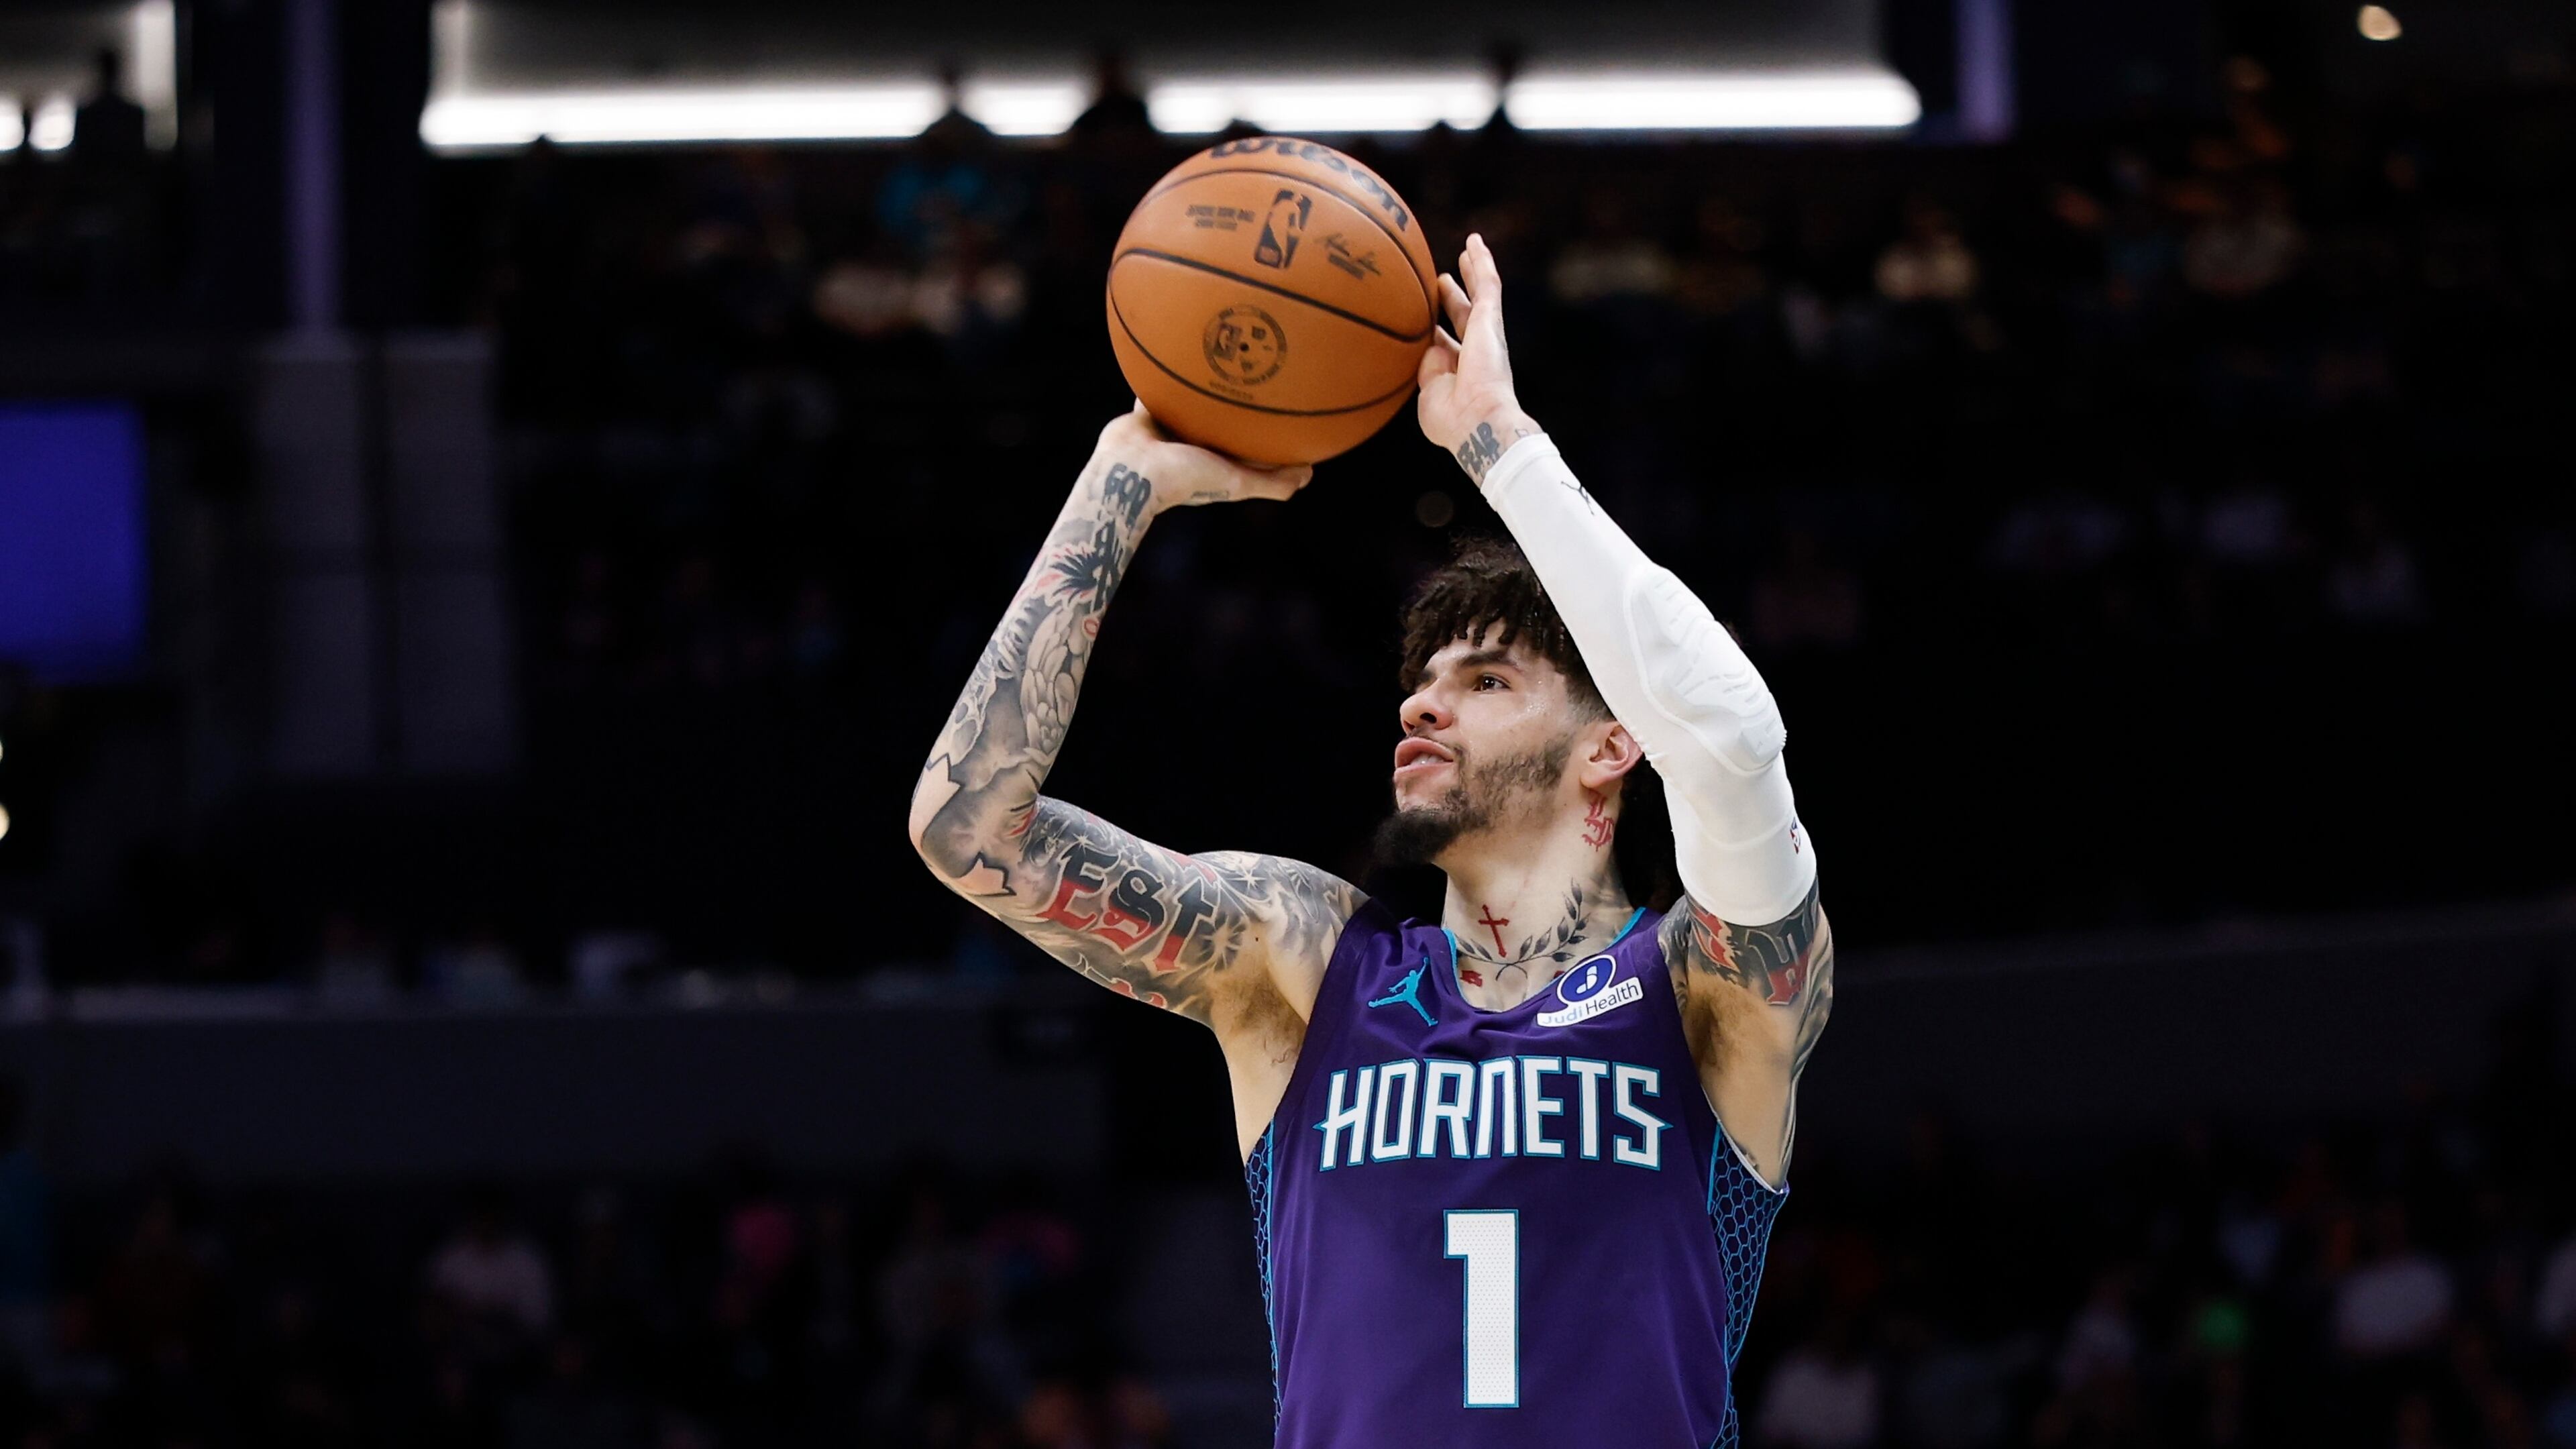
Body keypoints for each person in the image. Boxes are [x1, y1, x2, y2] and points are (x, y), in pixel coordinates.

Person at [910, 234, 1831, 1446]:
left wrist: (1497, 441)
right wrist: (1117, 482)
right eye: (1418, 681)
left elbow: (1727, 733)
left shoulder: (1711, 993)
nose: (1421, 703)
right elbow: (968, 828)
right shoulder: (1303, 962)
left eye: (1487, 680)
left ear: (1613, 742)